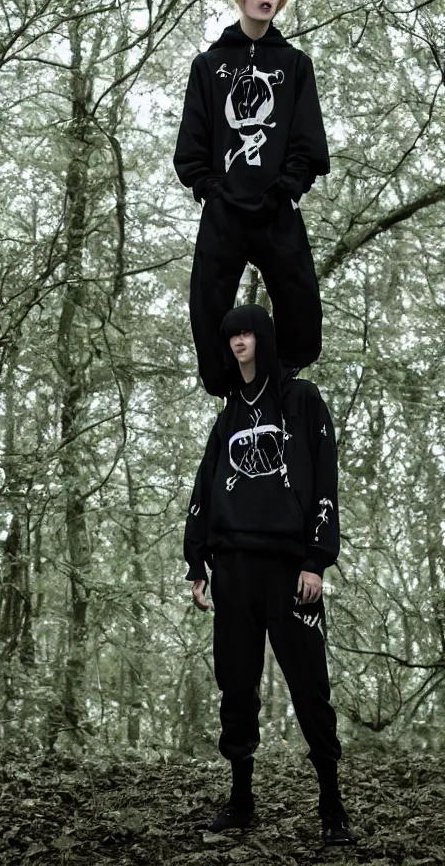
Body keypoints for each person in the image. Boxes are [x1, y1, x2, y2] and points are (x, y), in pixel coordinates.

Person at [183, 304, 356, 848]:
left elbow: (324, 479)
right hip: (233, 569)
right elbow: (205, 486)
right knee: (236, 688)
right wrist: (197, 562)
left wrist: (315, 560)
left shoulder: (302, 401)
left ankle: (332, 806)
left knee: (310, 689)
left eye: (248, 333)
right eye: (231, 334)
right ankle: (240, 801)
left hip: (289, 571)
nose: (239, 342)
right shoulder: (229, 411)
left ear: (265, 337)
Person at [173, 0, 330, 397]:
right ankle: (229, 385)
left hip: (277, 206)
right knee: (207, 299)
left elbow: (307, 137)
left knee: (300, 297)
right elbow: (193, 139)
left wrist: (290, 188)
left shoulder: (296, 65)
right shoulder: (208, 66)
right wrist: (209, 189)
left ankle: (279, 379)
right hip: (225, 209)